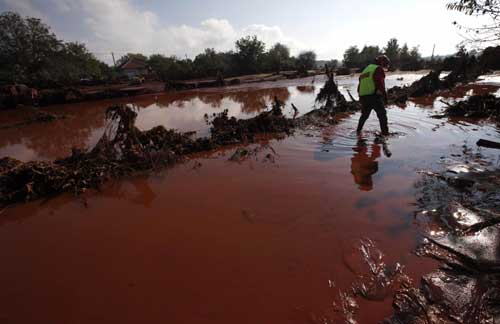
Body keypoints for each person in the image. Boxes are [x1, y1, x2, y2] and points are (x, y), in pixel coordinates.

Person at [356, 55, 390, 136]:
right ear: (381, 62)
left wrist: (361, 98)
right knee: (382, 115)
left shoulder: (366, 70)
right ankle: (385, 134)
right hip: (374, 96)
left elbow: (359, 86)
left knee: (364, 115)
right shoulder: (378, 69)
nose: (386, 66)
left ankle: (358, 131)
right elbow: (380, 84)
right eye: (385, 63)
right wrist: (385, 97)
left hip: (364, 97)